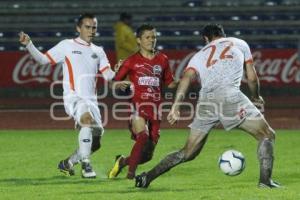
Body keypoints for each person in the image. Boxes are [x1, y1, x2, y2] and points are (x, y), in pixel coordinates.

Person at [135, 24, 281, 188]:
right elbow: (252, 78)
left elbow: (186, 79)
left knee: (187, 152)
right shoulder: (239, 43)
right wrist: (255, 96)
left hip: (206, 100)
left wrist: (176, 106)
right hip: (229, 96)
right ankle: (265, 182)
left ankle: (147, 177)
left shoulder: (198, 55)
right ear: (223, 34)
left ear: (206, 39)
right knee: (267, 135)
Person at [19, 13, 129, 178]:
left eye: (94, 27)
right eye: (87, 27)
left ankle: (67, 163)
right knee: (86, 121)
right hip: (73, 97)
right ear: (78, 28)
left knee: (96, 143)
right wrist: (29, 44)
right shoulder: (66, 46)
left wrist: (118, 72)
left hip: (92, 101)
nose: (91, 30)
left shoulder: (98, 51)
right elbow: (42, 60)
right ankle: (86, 165)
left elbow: (108, 76)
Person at [108, 24, 178, 179]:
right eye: (147, 37)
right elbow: (112, 83)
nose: (151, 40)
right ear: (138, 40)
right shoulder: (131, 61)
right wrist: (118, 83)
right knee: (143, 136)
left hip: (156, 110)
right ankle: (131, 175)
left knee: (147, 156)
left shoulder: (163, 60)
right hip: (137, 107)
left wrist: (187, 79)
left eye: (154, 37)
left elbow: (170, 83)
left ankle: (122, 161)